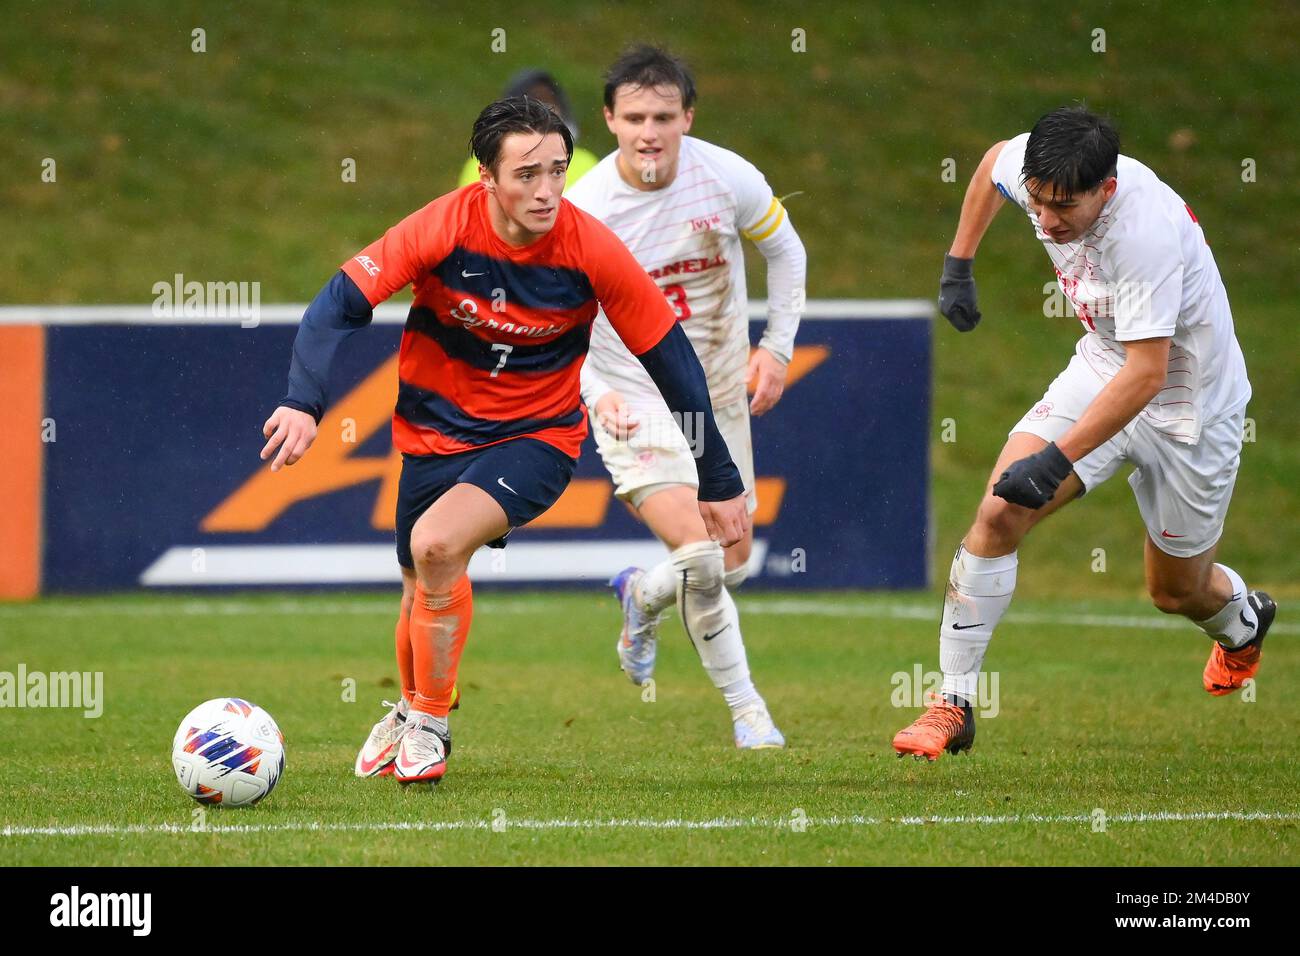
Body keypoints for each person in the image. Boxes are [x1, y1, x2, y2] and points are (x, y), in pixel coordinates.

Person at [261, 96, 749, 784]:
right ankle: (408, 709)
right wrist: (303, 401)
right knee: (415, 582)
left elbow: (672, 362)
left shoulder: (589, 247)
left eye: (556, 171)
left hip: (537, 437)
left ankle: (430, 720)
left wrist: (720, 481)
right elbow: (336, 305)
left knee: (436, 547)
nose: (547, 190)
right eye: (527, 175)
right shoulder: (442, 226)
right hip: (432, 435)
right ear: (486, 178)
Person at [893, 106, 1276, 761]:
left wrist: (1055, 459)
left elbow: (1149, 374)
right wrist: (959, 262)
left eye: (1063, 206)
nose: (1045, 220)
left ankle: (1244, 621)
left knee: (1174, 591)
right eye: (1037, 201)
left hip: (1191, 406)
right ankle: (951, 702)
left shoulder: (1144, 233)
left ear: (1108, 187)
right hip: (1106, 365)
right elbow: (991, 165)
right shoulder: (1040, 176)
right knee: (998, 512)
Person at [564, 46, 806, 749]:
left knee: (730, 561)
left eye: (663, 116)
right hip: (632, 393)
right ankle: (749, 711)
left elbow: (786, 252)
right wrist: (591, 390)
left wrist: (777, 346)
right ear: (609, 120)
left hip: (718, 390)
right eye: (634, 116)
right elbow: (558, 319)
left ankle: (640, 594)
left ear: (687, 117)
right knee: (701, 557)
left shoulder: (727, 178)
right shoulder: (586, 210)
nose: (649, 131)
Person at [456, 70, 599, 189]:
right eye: (527, 175)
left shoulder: (585, 163)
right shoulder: (485, 163)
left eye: (557, 172)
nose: (544, 111)